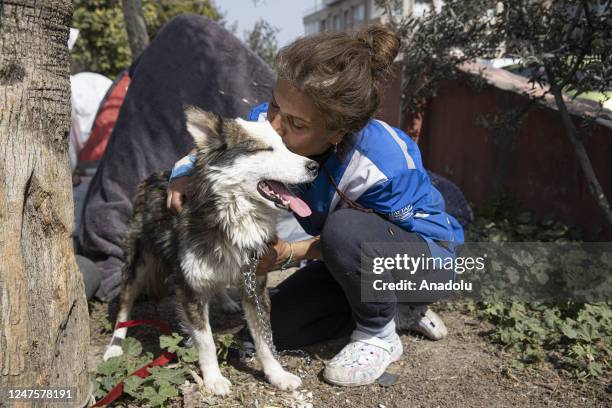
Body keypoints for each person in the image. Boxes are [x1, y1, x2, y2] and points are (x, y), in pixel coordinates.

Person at [166, 24, 465, 387]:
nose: (274, 125)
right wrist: (181, 175)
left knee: (346, 230)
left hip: (426, 257)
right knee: (277, 325)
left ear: (338, 132)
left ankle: (380, 333)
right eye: (275, 103)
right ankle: (396, 309)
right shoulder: (273, 123)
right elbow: (222, 144)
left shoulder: (383, 164)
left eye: (295, 123)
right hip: (349, 261)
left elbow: (375, 243)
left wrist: (290, 251)